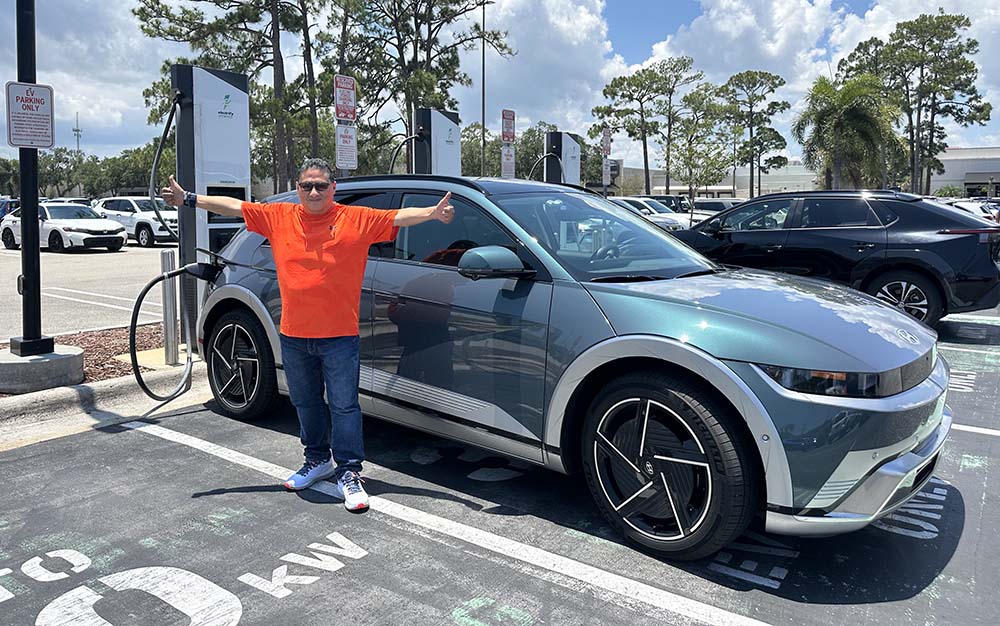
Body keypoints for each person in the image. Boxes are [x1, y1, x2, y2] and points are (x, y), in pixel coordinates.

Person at [161, 158, 454, 510]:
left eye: (321, 185)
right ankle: (317, 460)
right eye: (307, 186)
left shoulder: (356, 219)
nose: (314, 192)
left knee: (344, 406)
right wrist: (189, 199)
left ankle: (349, 472)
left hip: (340, 337)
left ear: (333, 188)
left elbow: (398, 217)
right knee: (305, 402)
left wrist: (433, 213)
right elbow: (235, 207)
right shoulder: (279, 216)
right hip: (294, 335)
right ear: (299, 189)